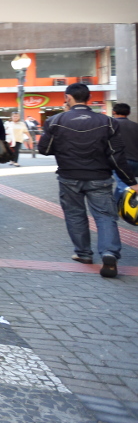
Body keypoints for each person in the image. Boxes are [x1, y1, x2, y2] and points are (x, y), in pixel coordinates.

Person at [38, 84, 138, 278]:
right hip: (100, 177)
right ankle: (109, 253)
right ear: (88, 98)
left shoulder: (55, 121)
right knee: (105, 216)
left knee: (75, 215)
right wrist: (130, 181)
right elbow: (117, 155)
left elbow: (44, 149)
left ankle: (83, 254)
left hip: (69, 177)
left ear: (68, 98)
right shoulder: (107, 122)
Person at [112, 103, 138, 202]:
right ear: (129, 112)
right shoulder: (136, 126)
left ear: (114, 112)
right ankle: (116, 206)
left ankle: (124, 209)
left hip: (120, 161)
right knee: (125, 185)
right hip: (136, 161)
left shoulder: (111, 125)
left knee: (123, 186)